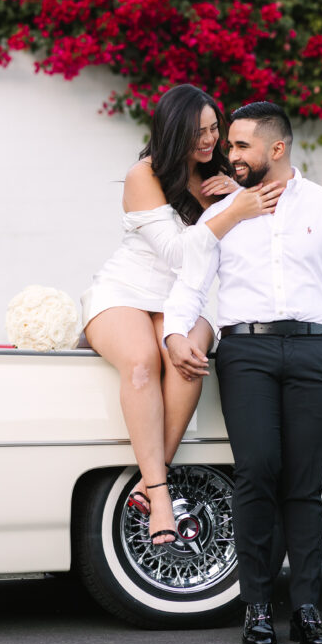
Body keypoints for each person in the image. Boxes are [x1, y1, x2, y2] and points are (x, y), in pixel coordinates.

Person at [164, 101, 322, 644]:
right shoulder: (226, 212)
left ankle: (306, 609)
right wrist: (174, 334)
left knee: (305, 486)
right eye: (228, 144)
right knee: (257, 472)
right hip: (246, 353)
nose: (227, 155)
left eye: (239, 146)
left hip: (313, 354)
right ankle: (256, 605)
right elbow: (190, 283)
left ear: (276, 149)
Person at [82, 85, 281, 548]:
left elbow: (274, 227)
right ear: (174, 133)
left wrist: (236, 196)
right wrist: (232, 213)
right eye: (199, 134)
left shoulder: (225, 178)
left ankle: (150, 481)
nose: (210, 142)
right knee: (140, 364)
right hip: (126, 291)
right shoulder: (144, 174)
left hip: (184, 299)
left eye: (215, 130)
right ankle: (160, 494)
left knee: (187, 358)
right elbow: (174, 251)